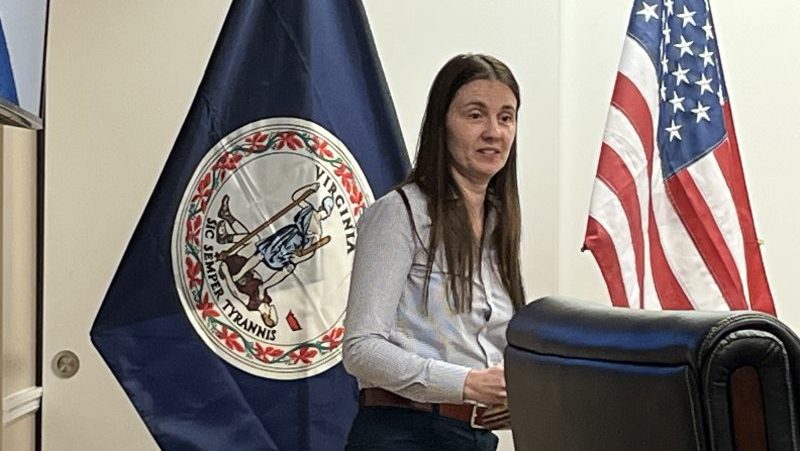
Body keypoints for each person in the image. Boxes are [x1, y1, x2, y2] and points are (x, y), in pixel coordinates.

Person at [342, 54, 526, 451]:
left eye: (506, 117)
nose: (494, 132)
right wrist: (466, 383)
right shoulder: (400, 213)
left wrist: (519, 396)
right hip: (402, 435)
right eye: (475, 115)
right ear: (442, 124)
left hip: (474, 438)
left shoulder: (500, 224)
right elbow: (361, 349)